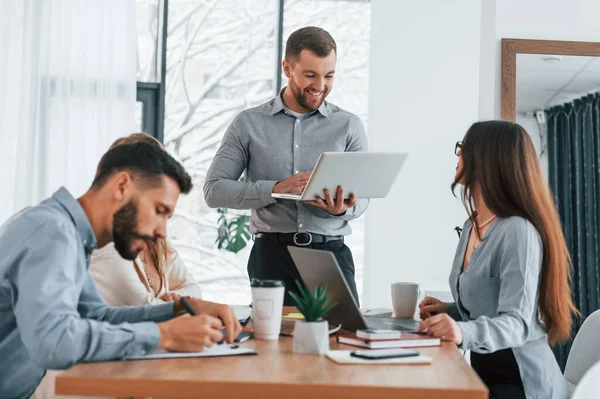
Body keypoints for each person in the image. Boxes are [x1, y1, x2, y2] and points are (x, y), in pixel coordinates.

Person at [0, 141, 242, 398]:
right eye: (159, 211)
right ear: (122, 186)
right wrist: (164, 336)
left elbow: (97, 316)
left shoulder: (70, 235)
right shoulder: (52, 233)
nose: (162, 231)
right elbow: (54, 343)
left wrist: (179, 309)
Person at [204, 26, 368, 305]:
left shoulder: (349, 126)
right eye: (310, 75)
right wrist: (276, 189)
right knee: (271, 343)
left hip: (331, 256)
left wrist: (343, 208)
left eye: (329, 76)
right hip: (271, 257)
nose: (320, 85)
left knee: (337, 341)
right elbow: (214, 190)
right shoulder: (248, 124)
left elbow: (363, 198)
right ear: (287, 68)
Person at [417, 121, 577, 399]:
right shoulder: (473, 226)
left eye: (463, 149)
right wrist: (450, 311)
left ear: (487, 159)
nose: (458, 156)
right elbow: (491, 305)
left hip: (522, 383)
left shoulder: (518, 231)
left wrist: (460, 330)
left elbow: (518, 322)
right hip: (486, 374)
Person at [89, 133, 203, 306]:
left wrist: (173, 299)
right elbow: (144, 308)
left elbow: (193, 288)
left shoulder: (156, 241)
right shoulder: (107, 243)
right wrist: (174, 304)